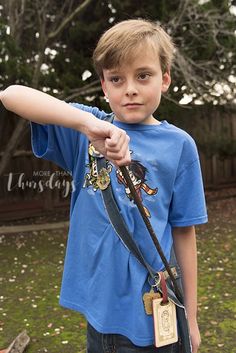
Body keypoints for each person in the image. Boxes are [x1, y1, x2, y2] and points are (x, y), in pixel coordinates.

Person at [0, 19, 208, 353]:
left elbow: (184, 232)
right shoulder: (85, 132)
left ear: (165, 78)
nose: (130, 89)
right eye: (116, 78)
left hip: (159, 315)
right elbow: (11, 96)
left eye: (143, 75)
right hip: (101, 314)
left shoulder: (180, 146)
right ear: (104, 85)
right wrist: (87, 125)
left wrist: (192, 319)